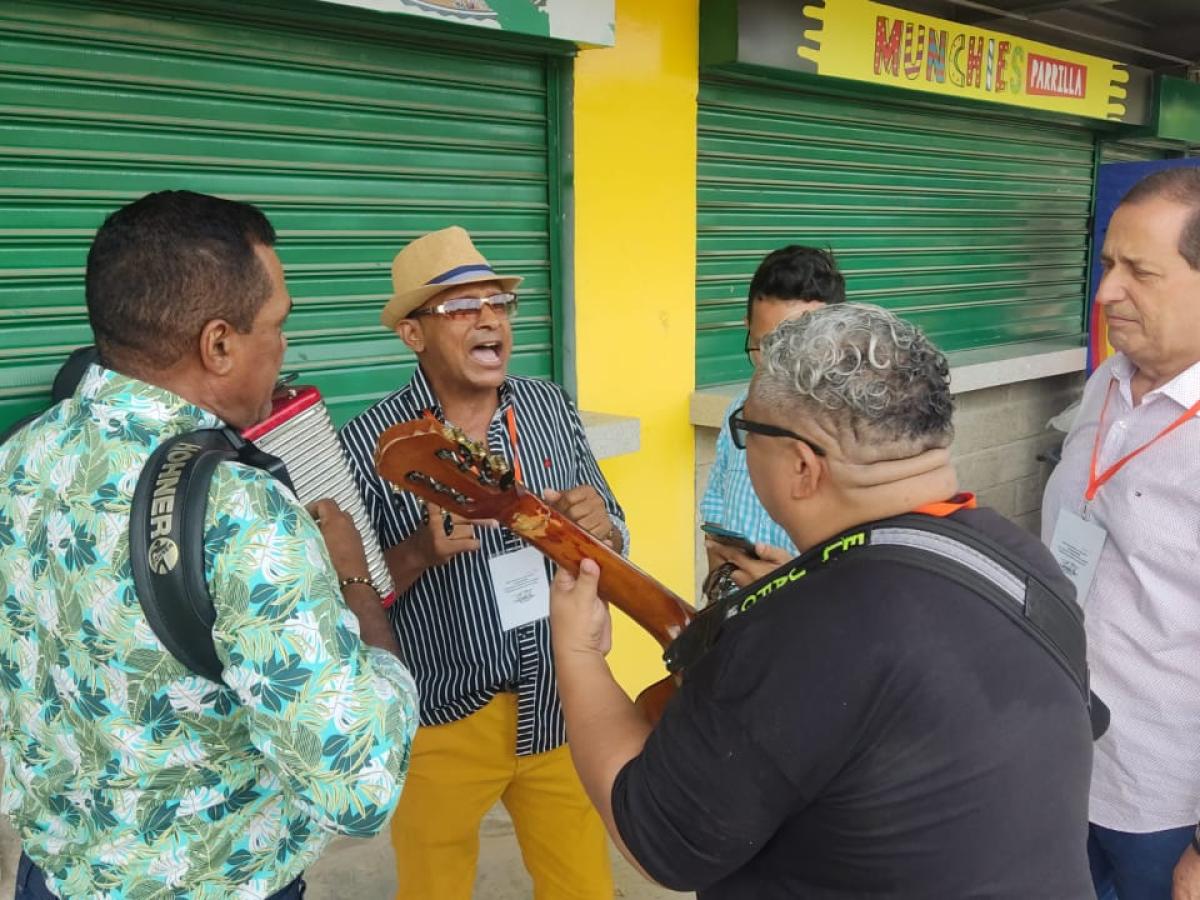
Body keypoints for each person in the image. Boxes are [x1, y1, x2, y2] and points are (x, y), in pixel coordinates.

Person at [551, 303, 1095, 899]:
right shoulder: (1021, 559)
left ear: (802, 466)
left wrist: (578, 653)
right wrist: (811, 588)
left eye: (745, 430)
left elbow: (656, 836)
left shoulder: (804, 634)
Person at [0, 191, 418, 900]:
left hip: (54, 876)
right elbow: (357, 785)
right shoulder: (241, 509)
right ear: (219, 343)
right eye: (278, 324)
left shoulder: (21, 460)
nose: (286, 348)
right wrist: (355, 587)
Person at [338, 226, 627, 899]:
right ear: (413, 335)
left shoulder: (550, 408)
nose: (489, 318)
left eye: (496, 302)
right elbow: (346, 598)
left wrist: (602, 527)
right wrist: (417, 551)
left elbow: (613, 529)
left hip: (559, 699)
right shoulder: (369, 448)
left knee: (583, 885)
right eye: (461, 307)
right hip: (445, 711)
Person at [1041, 166, 1200, 900]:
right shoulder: (1111, 379)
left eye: (1139, 271)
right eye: (1108, 265)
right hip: (1064, 763)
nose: (1106, 292)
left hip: (1165, 806)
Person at [700, 245, 845, 599]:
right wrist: (719, 575)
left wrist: (791, 586)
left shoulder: (858, 436)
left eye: (799, 350)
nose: (781, 370)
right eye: (767, 348)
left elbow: (870, 570)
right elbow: (716, 511)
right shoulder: (737, 411)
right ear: (748, 326)